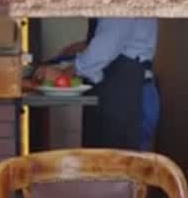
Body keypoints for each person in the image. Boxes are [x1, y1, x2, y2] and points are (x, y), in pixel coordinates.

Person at [42, 17, 158, 150]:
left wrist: (64, 73)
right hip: (118, 93)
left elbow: (105, 46)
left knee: (119, 160)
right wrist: (78, 49)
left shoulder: (118, 6)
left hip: (129, 96)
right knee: (102, 158)